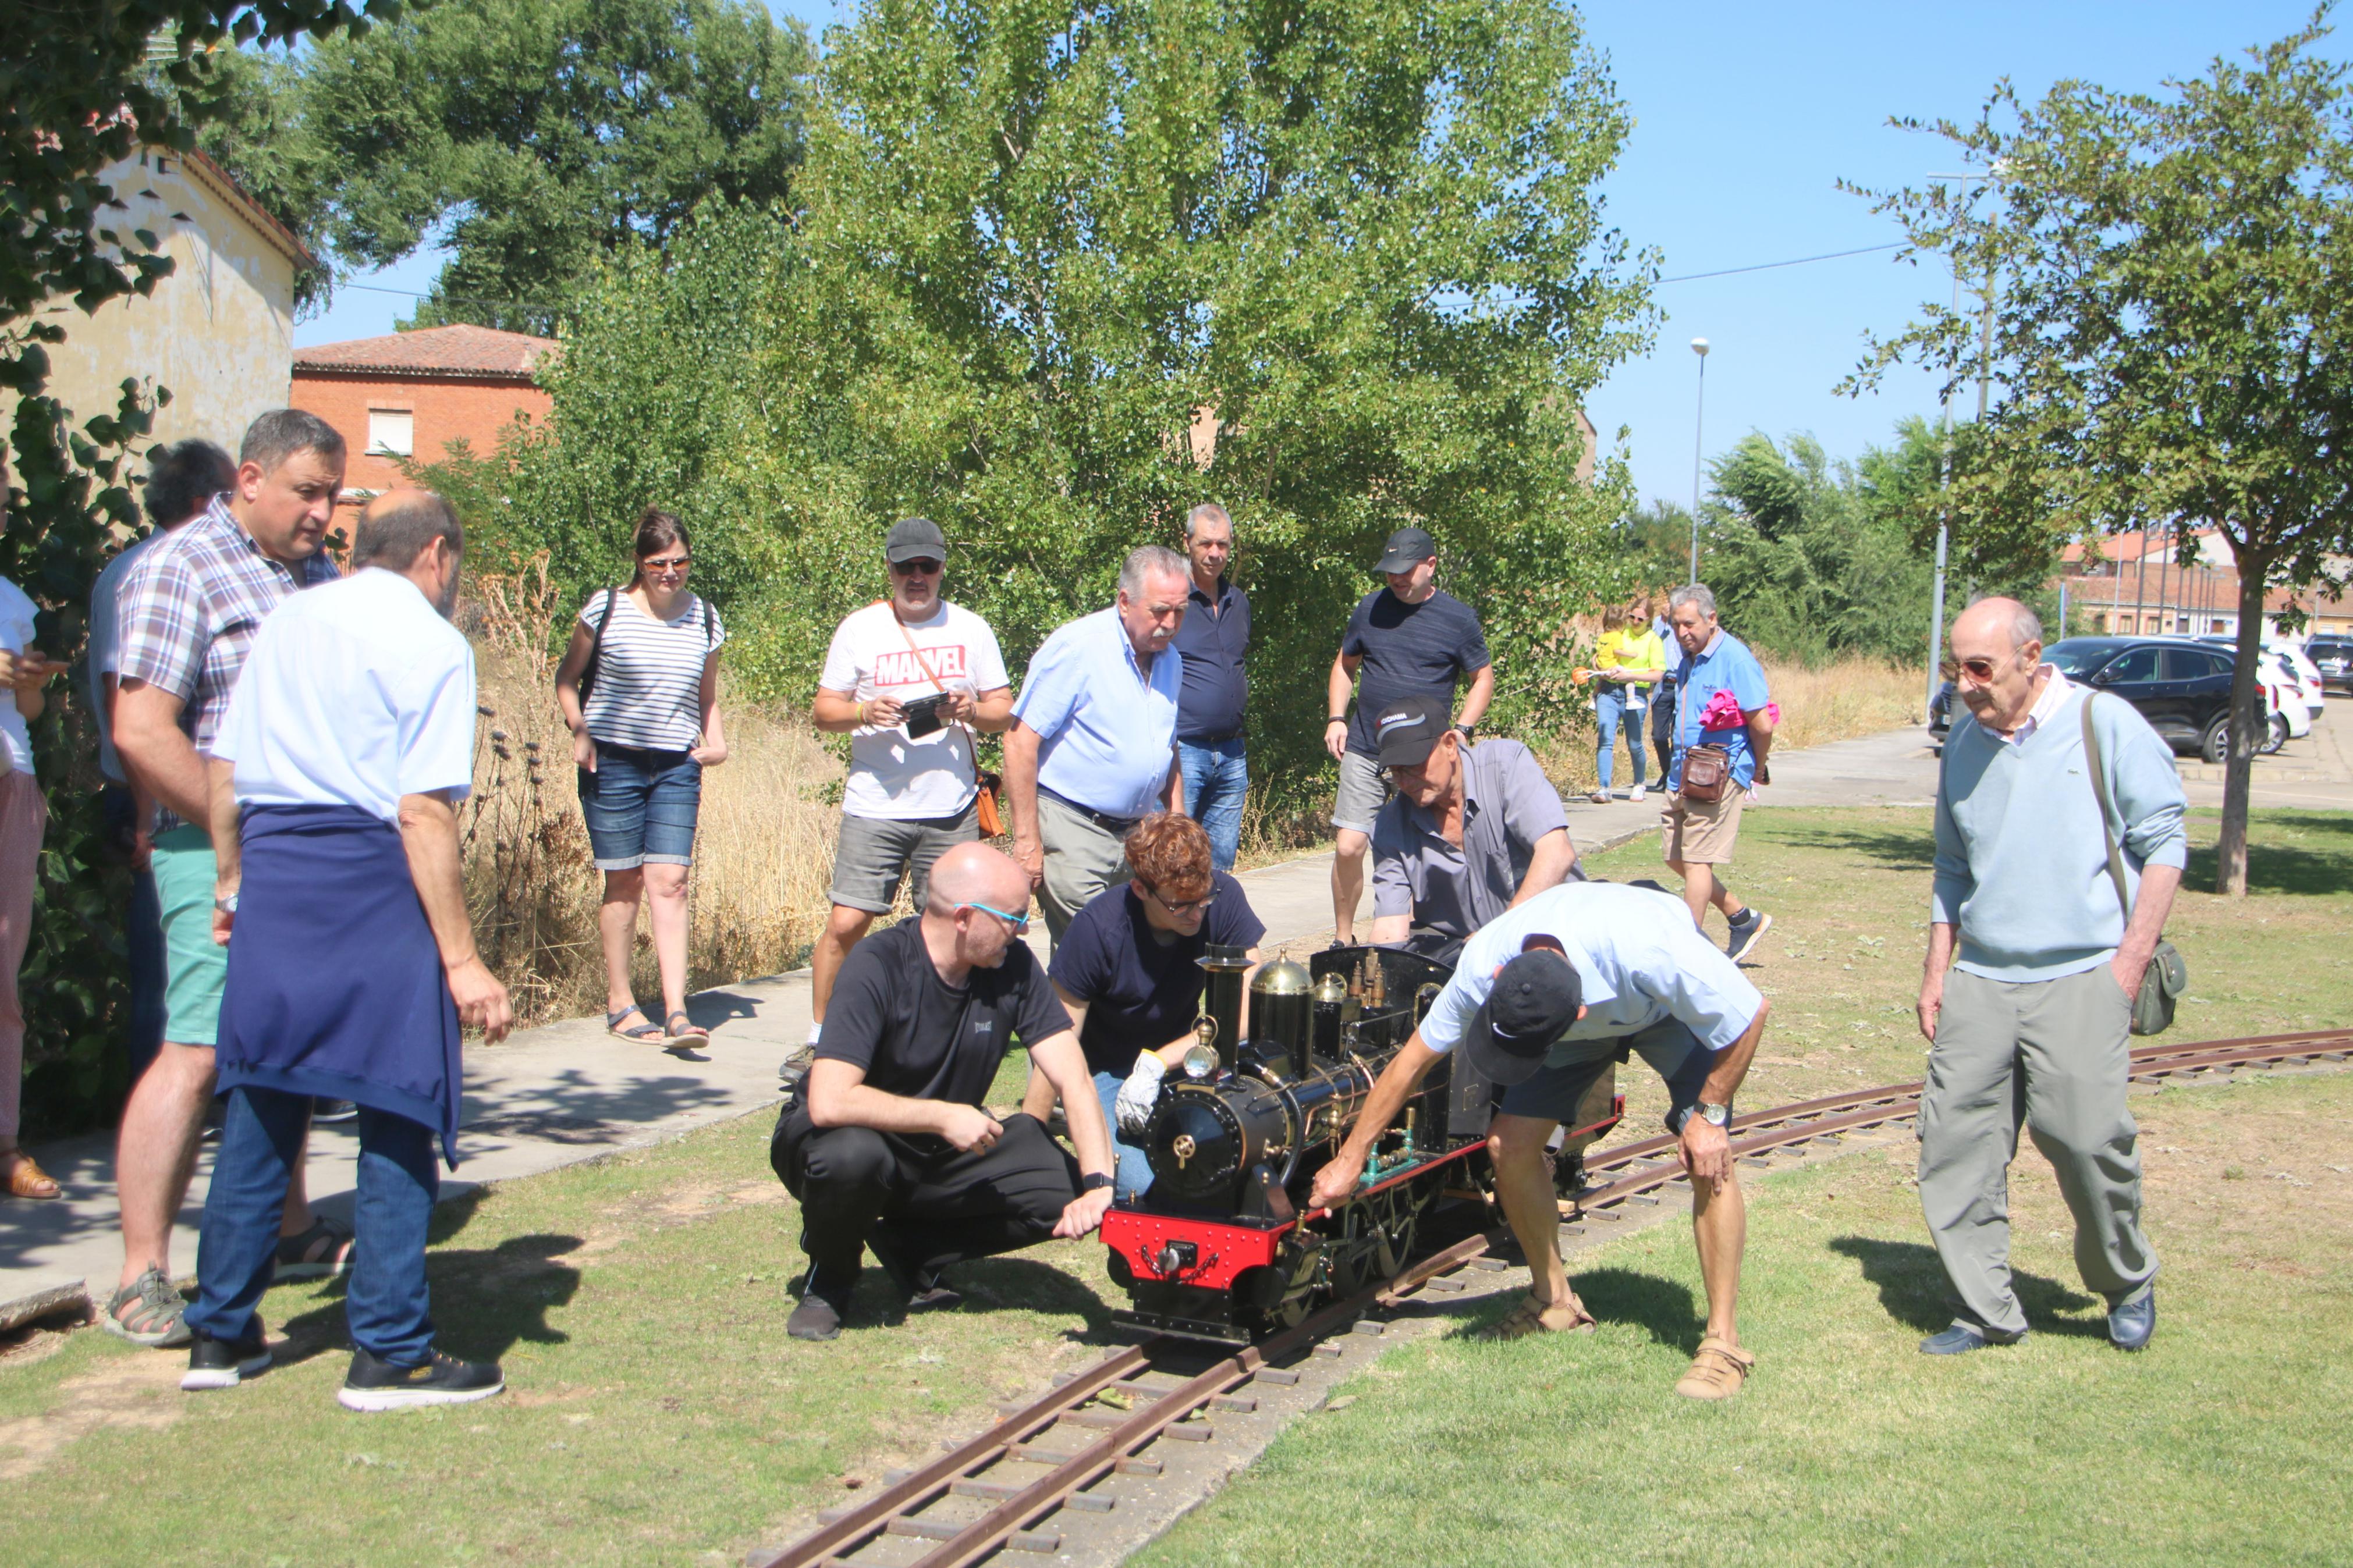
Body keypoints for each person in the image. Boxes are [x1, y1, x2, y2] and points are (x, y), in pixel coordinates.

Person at [182, 489, 514, 1407]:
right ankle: (391, 1348)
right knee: (398, 1103)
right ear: (437, 556)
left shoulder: (287, 619)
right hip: (372, 880)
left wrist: (230, 881)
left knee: (263, 1094)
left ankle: (219, 1331)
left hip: (276, 875)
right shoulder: (434, 643)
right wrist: (461, 958)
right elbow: (422, 809)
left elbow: (225, 762)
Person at [1309, 880, 1769, 1399]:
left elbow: (1749, 1011)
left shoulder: (1653, 947)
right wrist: (1351, 1159)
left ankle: (1722, 1343)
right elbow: (1410, 1063)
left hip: (1662, 1009)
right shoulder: (1485, 961)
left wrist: (1707, 1117)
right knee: (1508, 1145)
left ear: (1577, 1014)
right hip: (1577, 1028)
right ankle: (1554, 1302)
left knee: (1709, 1157)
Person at [108, 408, 349, 1347]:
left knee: (283, 1046)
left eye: (331, 495)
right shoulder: (181, 566)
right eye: (306, 493)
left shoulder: (310, 572)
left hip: (301, 852)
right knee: (199, 1050)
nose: (323, 514)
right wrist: (229, 839)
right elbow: (140, 728)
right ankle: (141, 1273)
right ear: (248, 479)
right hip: (207, 852)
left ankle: (287, 1232)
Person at [1915, 597, 2182, 1356]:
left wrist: (2125, 966)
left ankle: (2124, 1278)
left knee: (2085, 1137)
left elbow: (2164, 846)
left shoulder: (2105, 724)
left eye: (1979, 667)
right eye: (1953, 666)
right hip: (1981, 977)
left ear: (2030, 660)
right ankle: (1984, 1308)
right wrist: (1937, 969)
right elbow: (1951, 865)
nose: (1963, 683)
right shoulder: (1963, 743)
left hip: (2081, 974)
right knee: (1953, 1145)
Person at [769, 842, 1116, 1342]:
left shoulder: (1011, 965)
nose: (1022, 931)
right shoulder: (876, 965)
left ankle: (915, 1247)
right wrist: (942, 1116)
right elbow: (829, 1100)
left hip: (941, 1150)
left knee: (1065, 1188)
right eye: (1013, 918)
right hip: (847, 1138)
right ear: (964, 917)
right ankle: (831, 1275)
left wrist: (1099, 1182)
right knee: (852, 1158)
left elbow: (1073, 1077)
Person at [803, 518, 1013, 1073]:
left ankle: (942, 1034)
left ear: (943, 567)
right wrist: (862, 711)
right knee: (847, 922)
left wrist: (971, 709)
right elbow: (824, 711)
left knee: (954, 926)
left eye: (928, 566)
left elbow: (1003, 712)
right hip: (875, 804)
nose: (917, 577)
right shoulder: (860, 629)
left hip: (949, 810)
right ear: (890, 569)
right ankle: (821, 1036)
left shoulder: (971, 628)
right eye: (906, 567)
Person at [89, 440, 236, 1091]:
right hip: (163, 793)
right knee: (169, 964)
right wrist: (149, 811)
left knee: (170, 962)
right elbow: (126, 695)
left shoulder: (121, 567)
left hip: (146, 787)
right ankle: (167, 1099)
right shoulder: (163, 567)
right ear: (208, 502)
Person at [553, 509, 729, 1049]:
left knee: (671, 880)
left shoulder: (704, 617)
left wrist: (716, 740)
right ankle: (621, 1002)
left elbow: (706, 695)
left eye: (680, 561)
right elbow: (567, 678)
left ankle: (678, 1009)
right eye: (659, 563)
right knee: (625, 879)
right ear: (639, 561)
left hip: (677, 764)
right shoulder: (606, 608)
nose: (670, 572)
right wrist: (579, 730)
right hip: (613, 761)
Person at [1025, 812, 1265, 1199]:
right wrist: (1027, 1137)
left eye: (1203, 898)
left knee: (1238, 1154)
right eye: (1180, 906)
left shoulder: (1224, 897)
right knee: (1147, 1185)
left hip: (1182, 1061)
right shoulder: (1097, 930)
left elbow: (1249, 1013)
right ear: (1140, 889)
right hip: (1101, 1069)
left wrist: (1157, 1061)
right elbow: (1057, 1041)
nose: (1197, 913)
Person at [1006, 546, 1188, 946]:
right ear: (1125, 601)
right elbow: (1019, 742)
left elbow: (1165, 743)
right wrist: (1026, 843)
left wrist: (1178, 819)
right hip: (1074, 828)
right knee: (1093, 950)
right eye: (1160, 610)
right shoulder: (1076, 649)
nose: (1170, 623)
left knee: (1133, 952)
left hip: (1138, 835)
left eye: (1180, 611)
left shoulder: (1170, 659)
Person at [1325, 527, 1493, 943]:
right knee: (1348, 846)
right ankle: (1342, 939)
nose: (1395, 579)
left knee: (1433, 848)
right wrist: (1335, 717)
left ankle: (1442, 935)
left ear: (1430, 565)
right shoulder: (1369, 609)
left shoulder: (1458, 618)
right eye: (1389, 572)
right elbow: (1344, 665)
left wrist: (1462, 729)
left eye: (1404, 571)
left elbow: (1482, 677)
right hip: (1367, 747)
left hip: (1426, 756)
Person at [1366, 695, 1578, 963]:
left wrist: (1495, 939)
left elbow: (1557, 853)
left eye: (1415, 765)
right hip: (1466, 958)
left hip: (1554, 938)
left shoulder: (1505, 766)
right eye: (1396, 772)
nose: (1406, 782)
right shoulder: (1389, 826)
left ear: (1450, 745)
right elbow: (1389, 931)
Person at [1661, 584, 1776, 961]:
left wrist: (1754, 769)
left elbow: (1761, 724)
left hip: (1718, 773)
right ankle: (1742, 918)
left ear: (1712, 618)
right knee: (1674, 855)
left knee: (1696, 861)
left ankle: (1687, 952)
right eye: (1676, 625)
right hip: (1682, 771)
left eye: (1689, 624)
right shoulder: (1687, 658)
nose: (1681, 633)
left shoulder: (1735, 659)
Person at [1, 577, 66, 1200]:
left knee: (1, 974)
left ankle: (4, 1144)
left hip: (12, 781)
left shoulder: (13, 599)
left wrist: (29, 686)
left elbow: (29, 714)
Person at [1171, 504, 1251, 873]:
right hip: (1184, 751)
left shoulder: (1239, 603)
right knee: (1175, 862)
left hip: (1233, 752)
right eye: (1205, 544)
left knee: (1219, 866)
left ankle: (1213, 933)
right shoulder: (1171, 603)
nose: (1215, 553)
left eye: (1222, 544)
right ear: (1187, 543)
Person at [1590, 603, 1666, 803]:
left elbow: (1658, 674)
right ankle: (1604, 787)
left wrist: (1629, 675)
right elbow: (1604, 651)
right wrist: (1597, 662)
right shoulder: (1620, 633)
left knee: (1634, 743)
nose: (1635, 622)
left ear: (1649, 620)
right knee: (1605, 739)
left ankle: (1639, 783)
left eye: (1641, 619)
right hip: (1609, 690)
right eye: (1632, 617)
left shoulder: (1653, 640)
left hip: (1635, 693)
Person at [1648, 592, 1678, 783]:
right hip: (1663, 685)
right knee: (1659, 736)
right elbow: (1650, 641)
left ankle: (1675, 775)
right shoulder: (1657, 625)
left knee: (1679, 737)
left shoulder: (1685, 625)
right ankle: (1667, 771)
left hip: (1682, 684)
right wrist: (1664, 622)